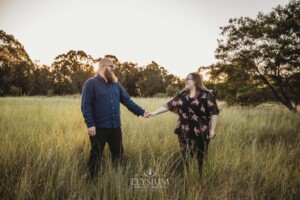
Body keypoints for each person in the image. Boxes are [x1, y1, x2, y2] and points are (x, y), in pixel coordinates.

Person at [81, 58, 149, 178]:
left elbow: (127, 101)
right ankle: (92, 180)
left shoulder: (116, 84)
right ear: (103, 67)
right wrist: (90, 124)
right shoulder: (91, 83)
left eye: (114, 67)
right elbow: (86, 105)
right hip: (98, 128)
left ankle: (118, 178)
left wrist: (141, 112)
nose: (113, 69)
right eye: (111, 66)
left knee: (118, 155)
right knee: (95, 155)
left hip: (115, 127)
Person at [148, 72, 220, 174]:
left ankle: (200, 177)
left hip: (201, 131)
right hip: (183, 130)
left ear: (195, 81)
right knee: (185, 155)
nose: (185, 81)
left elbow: (214, 113)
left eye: (188, 79)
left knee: (201, 156)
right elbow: (169, 105)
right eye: (185, 79)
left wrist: (212, 129)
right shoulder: (182, 94)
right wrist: (154, 113)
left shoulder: (207, 95)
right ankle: (187, 175)